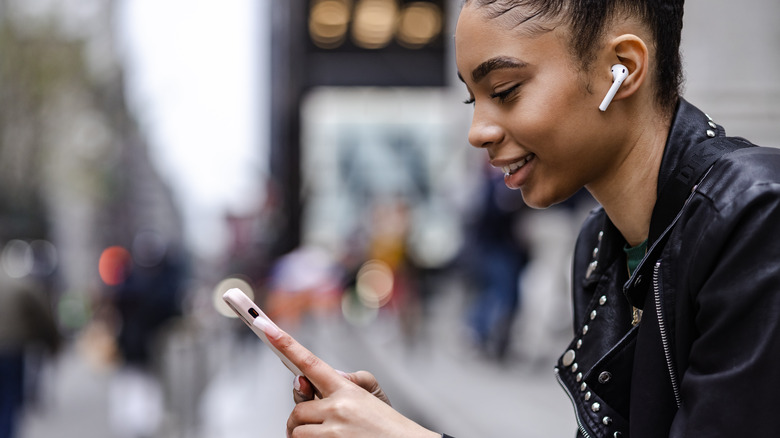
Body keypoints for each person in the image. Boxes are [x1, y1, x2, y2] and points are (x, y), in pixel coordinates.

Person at [259, 0, 780, 436]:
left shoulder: (757, 218)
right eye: (472, 98)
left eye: (505, 91)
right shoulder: (599, 245)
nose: (478, 130)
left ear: (621, 69)